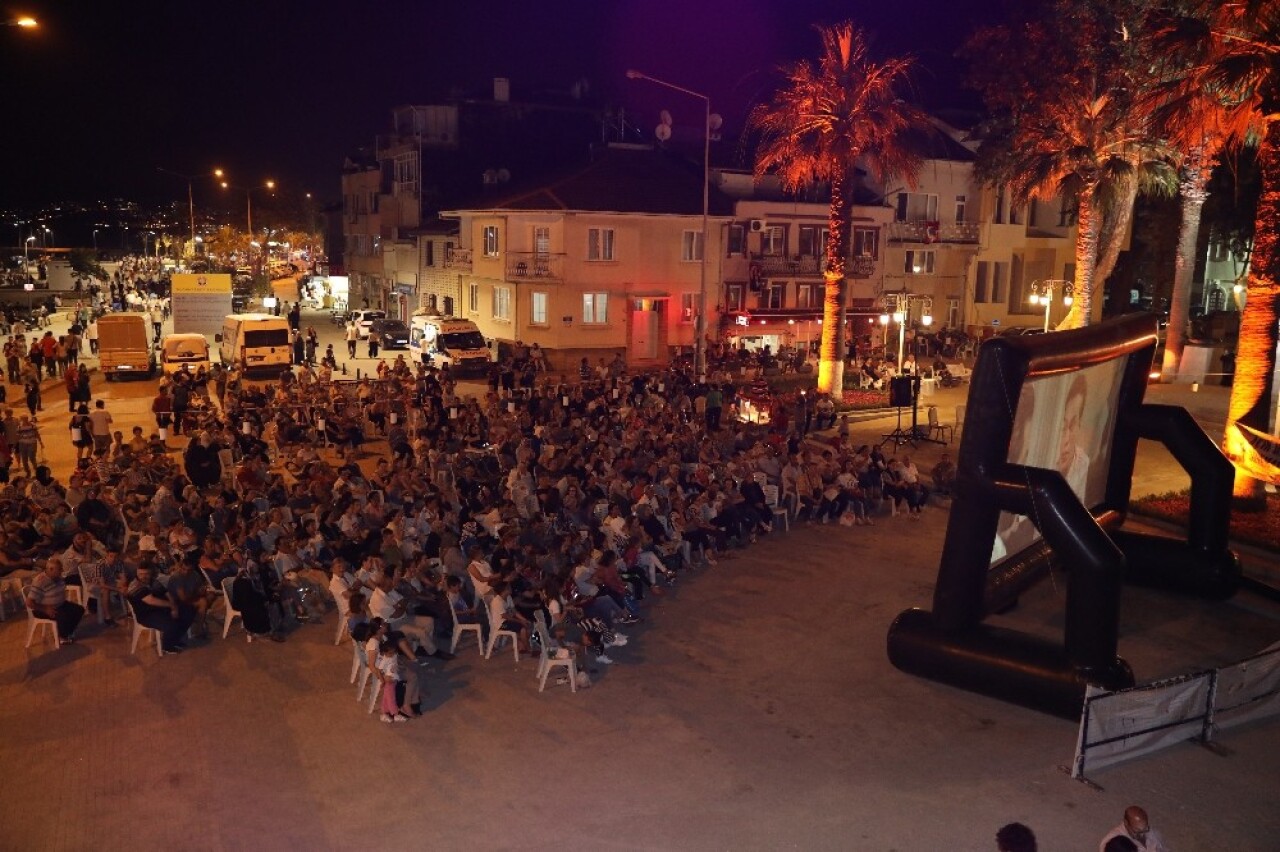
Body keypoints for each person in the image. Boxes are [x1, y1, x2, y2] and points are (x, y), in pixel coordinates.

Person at [125, 563, 196, 654]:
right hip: (146, 615)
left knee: (188, 610)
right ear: (137, 574)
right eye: (140, 574)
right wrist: (172, 606)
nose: (143, 576)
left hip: (160, 609)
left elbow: (166, 593)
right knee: (171, 622)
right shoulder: (135, 586)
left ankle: (174, 639)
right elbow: (151, 600)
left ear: (151, 573)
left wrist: (173, 605)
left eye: (146, 574)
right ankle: (167, 647)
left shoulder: (153, 581)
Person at [25, 557, 85, 644]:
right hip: (43, 608)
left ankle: (66, 631)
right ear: (51, 569)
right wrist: (45, 609)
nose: (61, 571)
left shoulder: (58, 577)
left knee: (79, 610)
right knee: (63, 616)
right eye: (59, 570)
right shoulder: (40, 581)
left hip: (60, 604)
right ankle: (62, 638)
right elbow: (29, 602)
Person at [1099, 806, 1169, 852]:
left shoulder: (1147, 830)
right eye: (1137, 831)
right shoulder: (1113, 843)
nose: (1142, 835)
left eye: (1145, 829)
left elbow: (1162, 848)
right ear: (1126, 823)